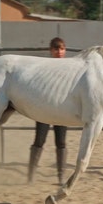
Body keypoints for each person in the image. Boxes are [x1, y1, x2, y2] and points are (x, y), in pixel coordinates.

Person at [28, 37, 68, 185]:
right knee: (39, 141)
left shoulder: (69, 68)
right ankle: (31, 175)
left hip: (62, 111)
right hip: (44, 110)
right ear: (51, 50)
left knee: (61, 142)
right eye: (56, 48)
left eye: (62, 48)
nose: (59, 52)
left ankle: (61, 177)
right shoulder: (44, 67)